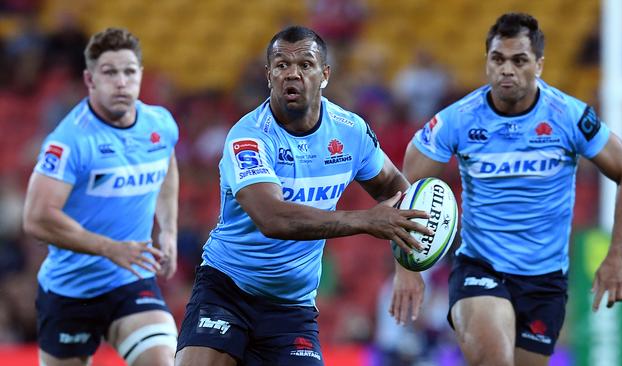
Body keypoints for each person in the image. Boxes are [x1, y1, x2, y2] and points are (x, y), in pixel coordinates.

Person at [175, 25, 430, 366]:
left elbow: (399, 194)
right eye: (281, 65)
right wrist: (365, 221)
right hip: (227, 290)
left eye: (305, 65)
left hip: (292, 306)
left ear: (324, 74)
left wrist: (408, 268)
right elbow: (273, 218)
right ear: (269, 75)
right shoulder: (249, 137)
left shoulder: (350, 132)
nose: (292, 73)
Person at [400, 13, 622, 366]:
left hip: (545, 281)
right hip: (480, 268)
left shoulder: (569, 116)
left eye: (519, 60)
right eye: (497, 59)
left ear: (539, 65)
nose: (507, 70)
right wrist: (407, 269)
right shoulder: (458, 119)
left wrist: (618, 255)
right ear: (487, 63)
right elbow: (406, 186)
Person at [23, 28, 179, 366]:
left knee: (163, 361)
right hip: (70, 290)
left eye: (129, 71)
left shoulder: (160, 124)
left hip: (130, 280)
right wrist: (110, 248)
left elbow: (167, 168)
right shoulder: (69, 141)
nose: (121, 82)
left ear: (140, 74)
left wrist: (167, 229)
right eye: (110, 72)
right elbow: (36, 218)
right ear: (90, 80)